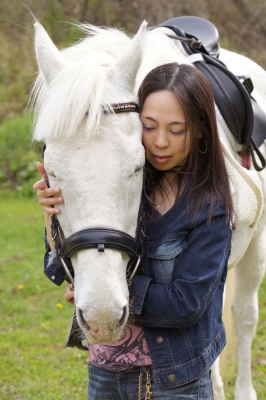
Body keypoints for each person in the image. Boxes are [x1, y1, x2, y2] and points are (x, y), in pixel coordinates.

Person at [33, 62, 233, 400]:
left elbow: (186, 304)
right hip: (106, 374)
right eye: (149, 126)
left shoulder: (209, 209)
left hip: (175, 382)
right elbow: (58, 269)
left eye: (176, 129)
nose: (159, 142)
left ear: (199, 130)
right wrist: (53, 217)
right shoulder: (123, 189)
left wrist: (115, 287)